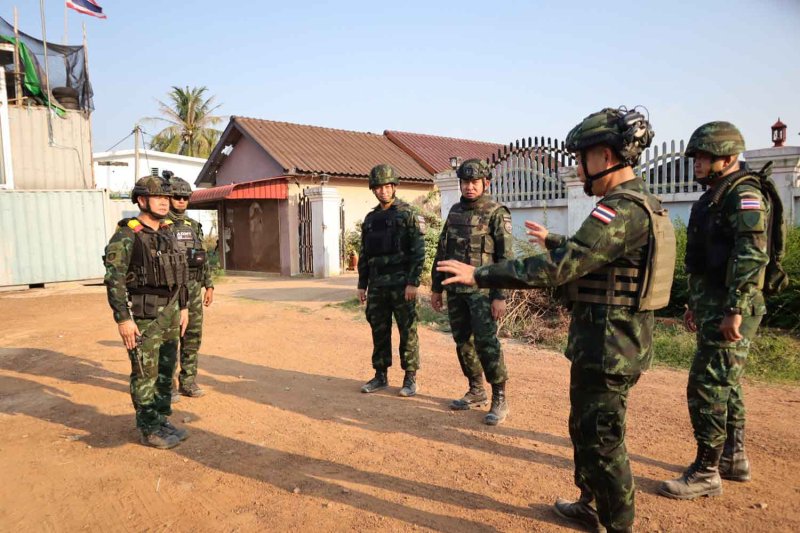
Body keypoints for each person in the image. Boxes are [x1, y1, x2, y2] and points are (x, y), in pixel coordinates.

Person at [437, 108, 674, 533]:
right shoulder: (632, 205)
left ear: (604, 156)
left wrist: (481, 275)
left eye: (580, 158)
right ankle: (590, 504)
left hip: (610, 347)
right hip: (604, 343)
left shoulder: (622, 208)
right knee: (585, 430)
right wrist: (556, 239)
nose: (577, 168)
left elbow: (563, 267)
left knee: (603, 442)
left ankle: (618, 525)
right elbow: (593, 254)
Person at [659, 122, 776, 499]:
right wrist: (695, 304)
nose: (697, 162)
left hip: (732, 307)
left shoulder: (743, 195)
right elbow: (707, 260)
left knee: (707, 385)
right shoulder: (716, 195)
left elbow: (751, 254)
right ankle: (733, 458)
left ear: (728, 158)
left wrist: (735, 310)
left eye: (705, 156)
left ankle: (707, 471)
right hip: (714, 305)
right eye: (696, 156)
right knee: (727, 382)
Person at [103, 175, 190, 449]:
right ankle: (148, 427)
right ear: (142, 200)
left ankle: (161, 419)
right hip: (145, 317)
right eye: (158, 197)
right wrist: (123, 319)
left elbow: (180, 274)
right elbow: (114, 280)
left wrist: (183, 307)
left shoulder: (167, 232)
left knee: (166, 371)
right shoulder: (126, 236)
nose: (165, 203)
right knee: (145, 373)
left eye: (166, 198)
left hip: (171, 313)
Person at [430, 158, 514, 426]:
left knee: (487, 344)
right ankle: (476, 389)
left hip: (483, 294)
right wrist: (436, 288)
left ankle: (499, 397)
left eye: (474, 182)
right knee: (463, 342)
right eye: (465, 182)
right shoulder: (454, 212)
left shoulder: (496, 212)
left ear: (485, 183)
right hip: (456, 291)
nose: (469, 186)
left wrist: (500, 296)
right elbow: (442, 252)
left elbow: (505, 259)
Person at [358, 164, 426, 397]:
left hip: (401, 284)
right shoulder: (370, 219)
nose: (383, 191)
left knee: (408, 331)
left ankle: (410, 379)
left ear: (394, 186)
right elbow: (365, 255)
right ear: (373, 189)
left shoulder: (408, 215)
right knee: (379, 330)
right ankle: (380, 376)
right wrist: (362, 285)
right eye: (378, 187)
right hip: (378, 285)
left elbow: (418, 252)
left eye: (387, 186)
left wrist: (413, 282)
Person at [166, 174, 214, 400]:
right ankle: (168, 385)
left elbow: (202, 257)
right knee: (170, 338)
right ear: (169, 197)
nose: (181, 201)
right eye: (177, 197)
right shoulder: (159, 225)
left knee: (192, 336)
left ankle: (188, 381)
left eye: (185, 197)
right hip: (169, 290)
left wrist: (209, 285)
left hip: (193, 288)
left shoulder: (193, 226)